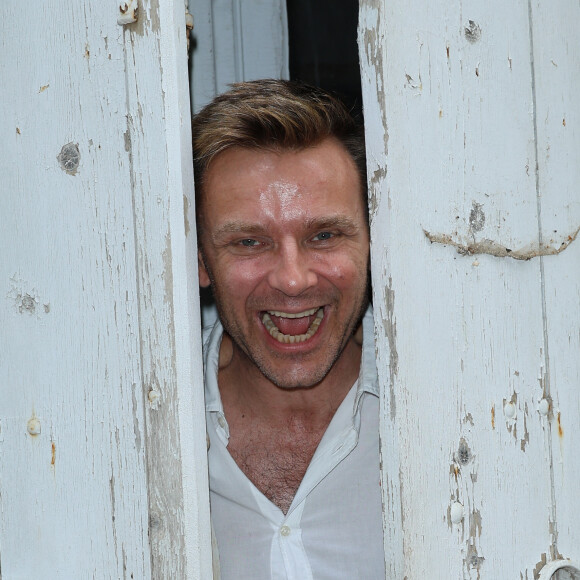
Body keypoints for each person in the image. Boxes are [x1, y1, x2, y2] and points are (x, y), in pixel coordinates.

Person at [192, 79, 384, 579]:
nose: (293, 280)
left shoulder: (460, 415)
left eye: (324, 235)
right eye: (249, 242)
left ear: (374, 242)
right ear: (199, 260)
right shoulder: (141, 432)